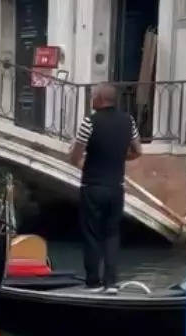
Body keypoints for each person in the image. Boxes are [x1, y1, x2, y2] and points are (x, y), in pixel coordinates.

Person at [68, 82, 141, 292]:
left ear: (100, 99)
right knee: (112, 234)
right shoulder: (129, 121)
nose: (91, 100)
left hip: (93, 186)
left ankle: (92, 282)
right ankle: (111, 283)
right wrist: (119, 158)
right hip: (116, 187)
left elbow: (75, 157)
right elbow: (138, 150)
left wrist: (84, 163)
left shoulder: (89, 122)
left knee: (92, 233)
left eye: (93, 96)